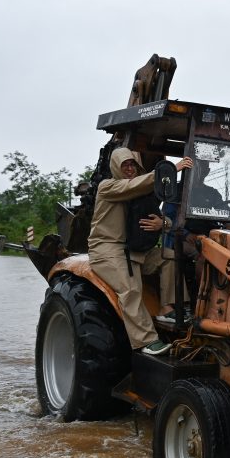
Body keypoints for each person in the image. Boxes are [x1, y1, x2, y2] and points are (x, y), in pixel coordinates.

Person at [89, 147, 192, 356]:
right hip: (107, 249)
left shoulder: (142, 190)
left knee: (170, 256)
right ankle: (146, 341)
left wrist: (162, 223)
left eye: (132, 164)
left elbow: (163, 217)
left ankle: (167, 309)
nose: (129, 168)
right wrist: (171, 169)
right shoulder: (107, 187)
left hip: (136, 249)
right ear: (115, 167)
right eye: (124, 164)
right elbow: (133, 185)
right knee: (130, 288)